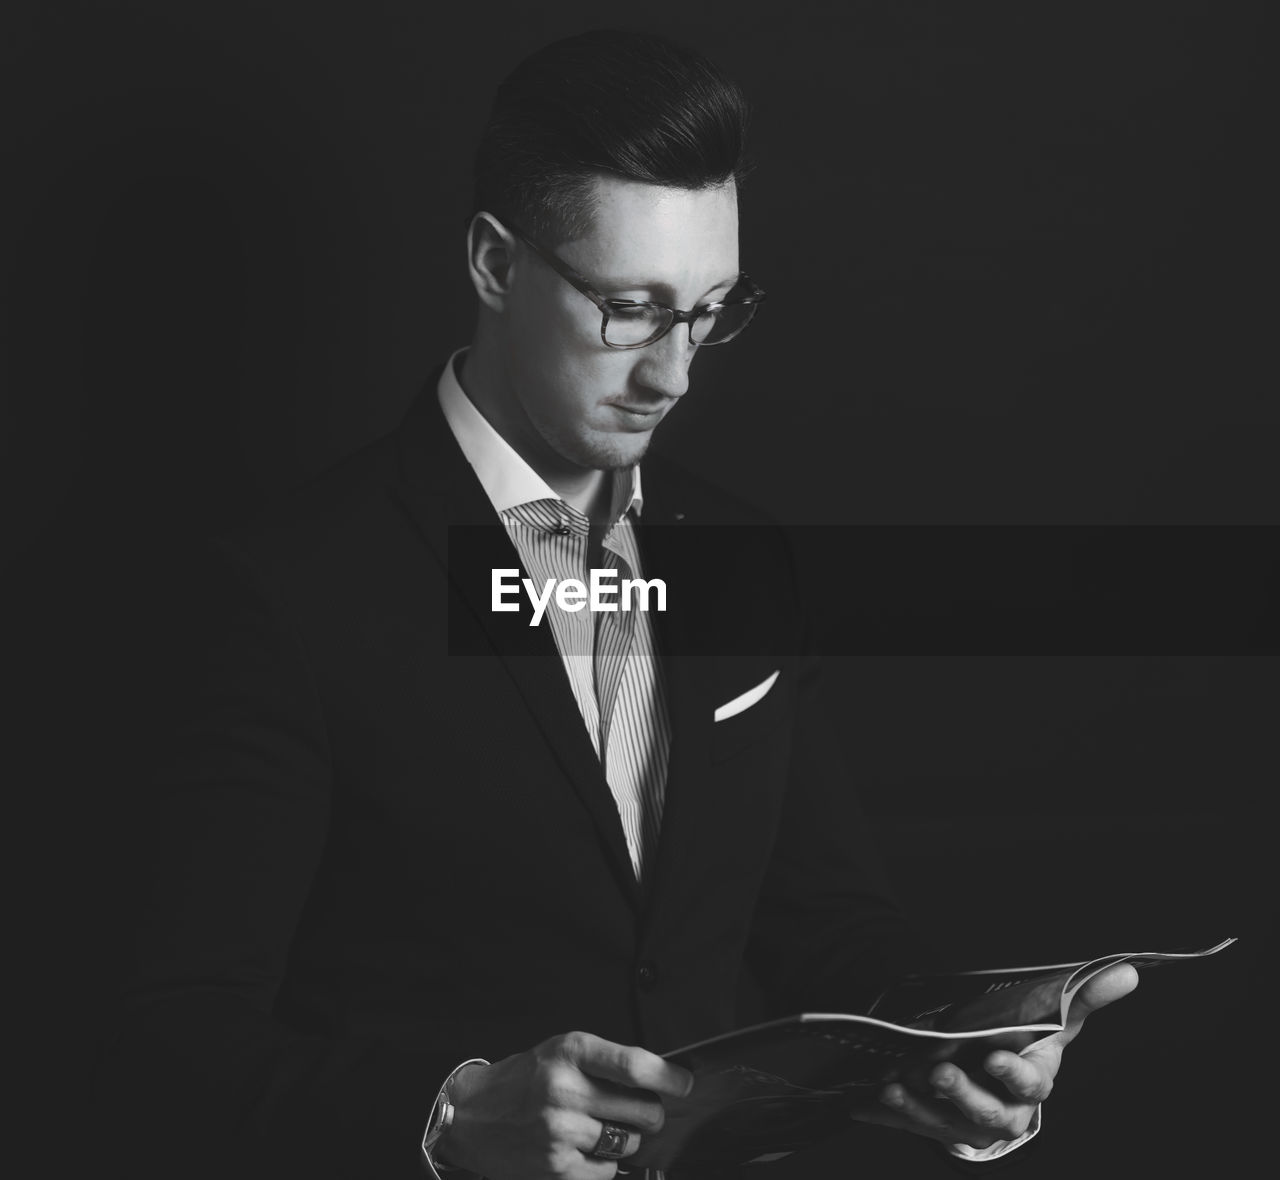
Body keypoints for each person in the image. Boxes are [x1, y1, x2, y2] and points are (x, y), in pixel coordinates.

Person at [95, 28, 1137, 1180]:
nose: (674, 373)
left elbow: (820, 916)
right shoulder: (284, 590)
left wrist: (952, 1038)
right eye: (629, 310)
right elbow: (166, 1034)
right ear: (495, 265)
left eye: (707, 311)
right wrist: (443, 1118)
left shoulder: (739, 553)